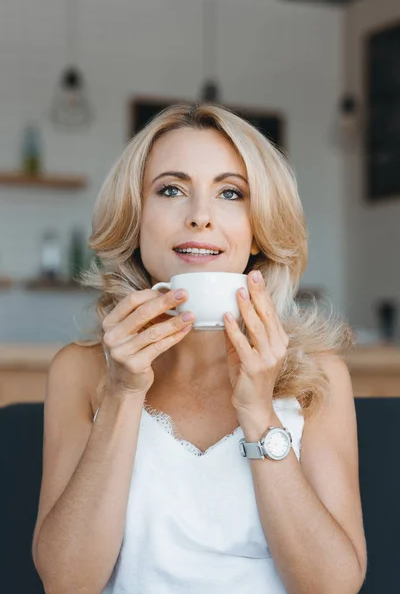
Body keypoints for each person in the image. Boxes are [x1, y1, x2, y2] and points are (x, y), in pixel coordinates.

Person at [32, 103, 367, 594]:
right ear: (135, 218)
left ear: (258, 229)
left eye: (231, 193)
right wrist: (123, 393)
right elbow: (67, 582)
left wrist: (259, 411)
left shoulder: (320, 374)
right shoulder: (78, 372)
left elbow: (333, 587)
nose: (201, 218)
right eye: (171, 190)